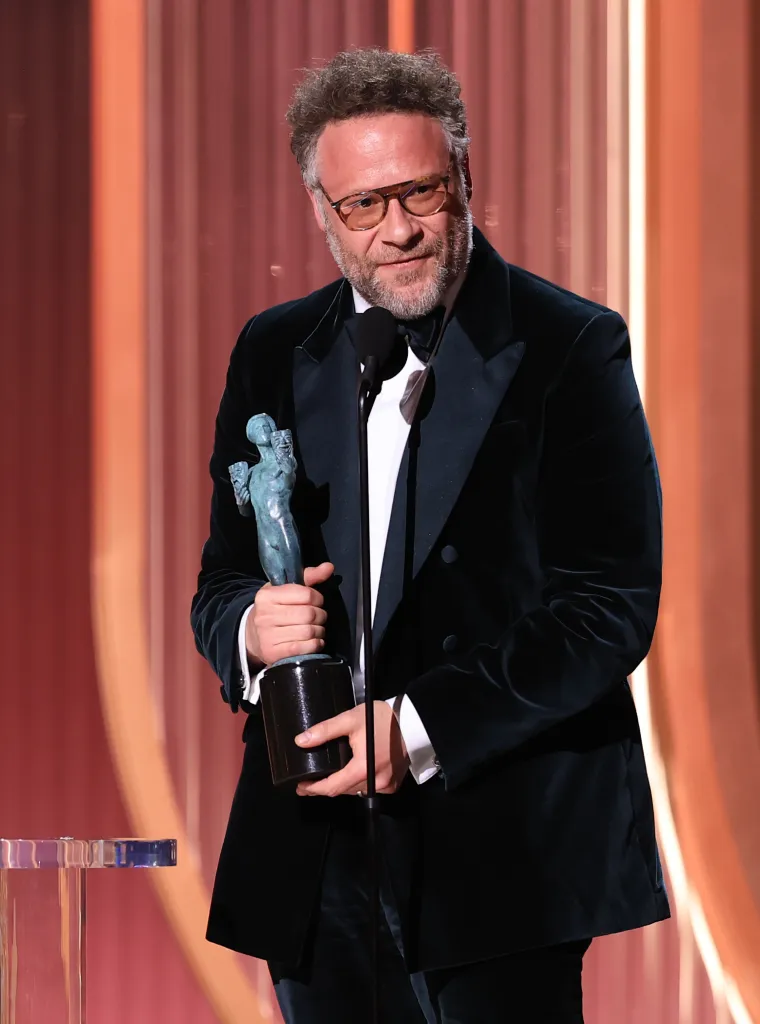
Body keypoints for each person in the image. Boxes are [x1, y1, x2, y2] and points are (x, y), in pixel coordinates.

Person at [191, 48, 669, 1024]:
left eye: (420, 192)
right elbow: (219, 584)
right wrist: (248, 628)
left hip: (500, 852)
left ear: (464, 181)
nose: (398, 228)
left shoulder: (571, 344)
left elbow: (607, 606)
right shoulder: (272, 348)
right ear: (322, 212)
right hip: (312, 853)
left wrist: (414, 731)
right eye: (363, 204)